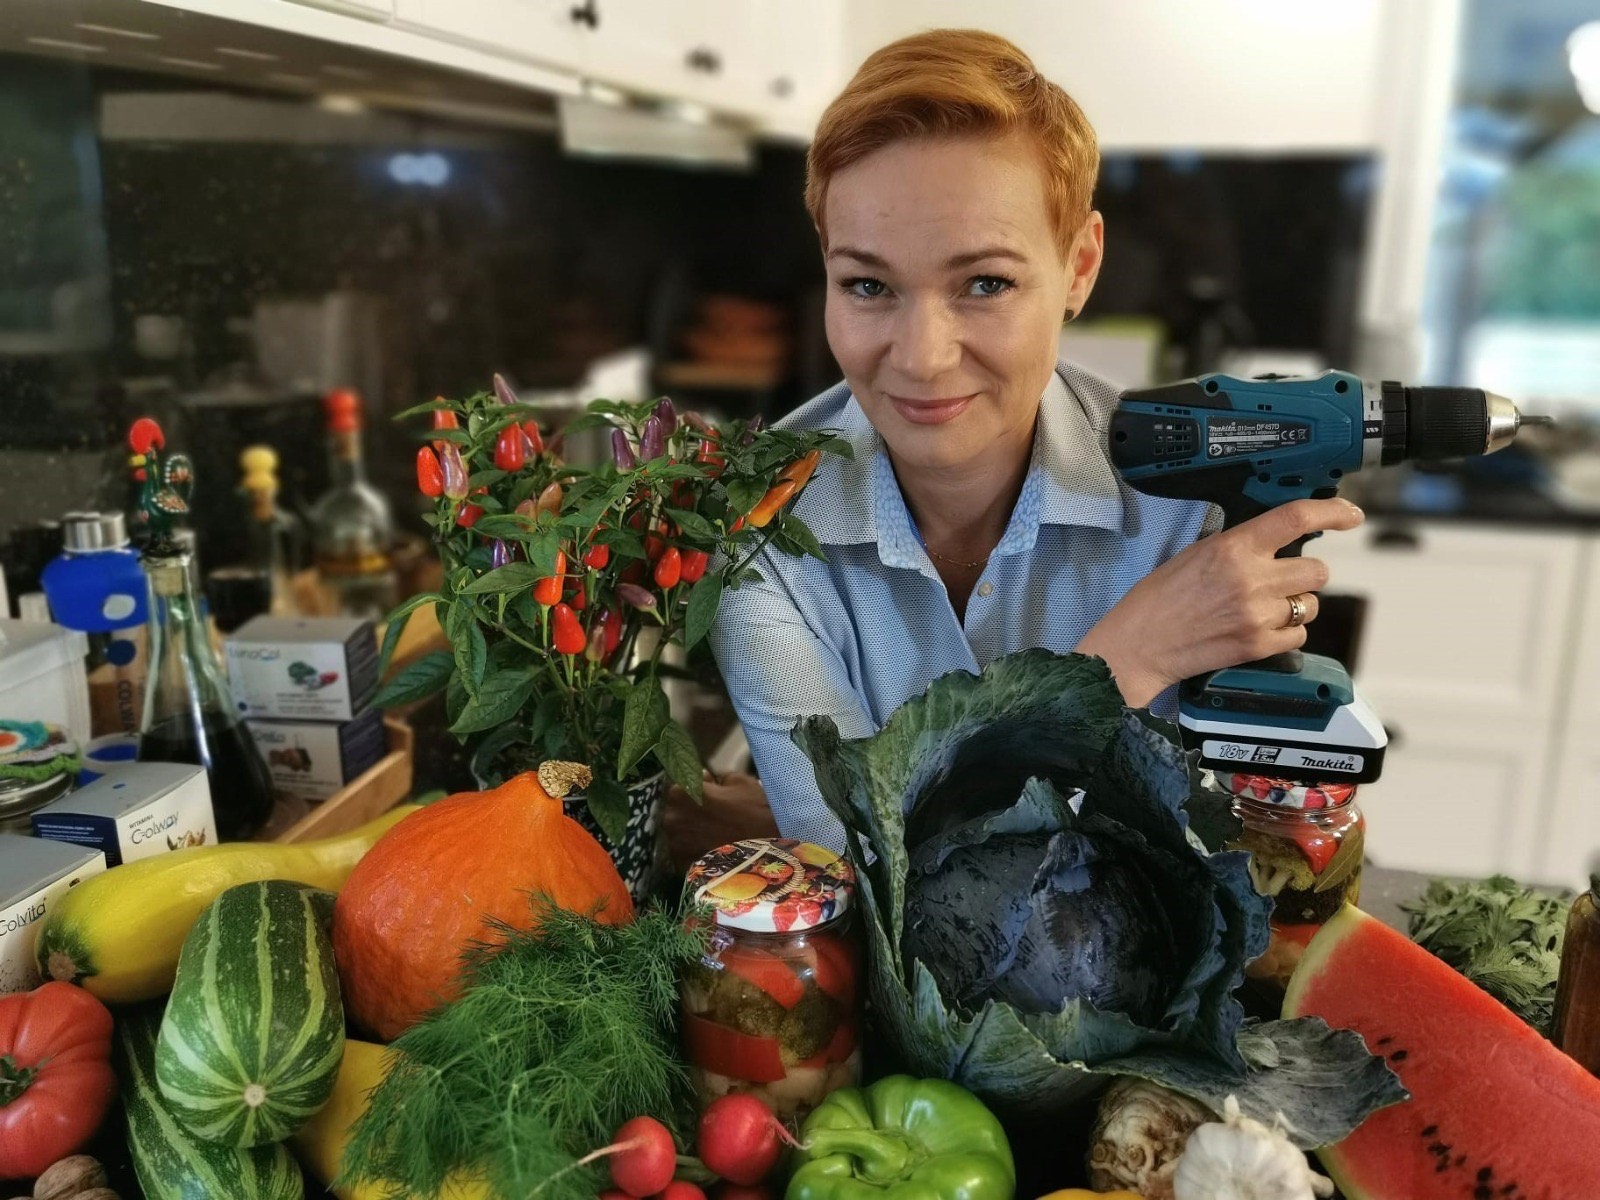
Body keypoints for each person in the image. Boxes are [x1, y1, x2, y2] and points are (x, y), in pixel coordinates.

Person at [673, 28, 1362, 856]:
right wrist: (1122, 662)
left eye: (986, 283)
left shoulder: (1187, 507)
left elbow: (1191, 868)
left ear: (1079, 267)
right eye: (868, 284)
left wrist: (847, 835)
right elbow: (864, 878)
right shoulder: (759, 527)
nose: (922, 357)